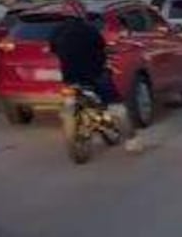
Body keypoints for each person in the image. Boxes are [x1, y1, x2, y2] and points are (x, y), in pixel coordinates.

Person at [49, 12, 143, 153]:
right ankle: (132, 140)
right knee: (116, 106)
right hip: (96, 74)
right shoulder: (90, 29)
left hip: (71, 77)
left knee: (67, 99)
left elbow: (53, 49)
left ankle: (82, 121)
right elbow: (101, 46)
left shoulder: (57, 31)